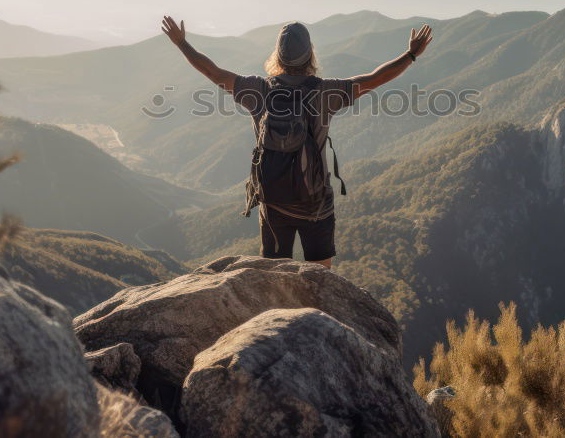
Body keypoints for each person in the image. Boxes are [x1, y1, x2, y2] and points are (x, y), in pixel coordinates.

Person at [161, 15, 433, 268]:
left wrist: (182, 43)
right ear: (310, 55)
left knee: (275, 277)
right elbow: (374, 79)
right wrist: (410, 55)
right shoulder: (326, 91)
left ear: (277, 55)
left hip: (273, 201)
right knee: (321, 279)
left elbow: (214, 73)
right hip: (315, 203)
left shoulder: (257, 89)